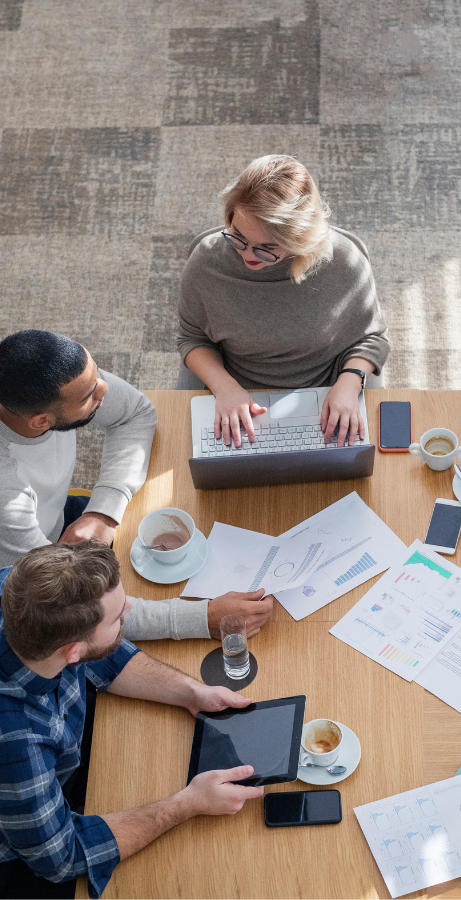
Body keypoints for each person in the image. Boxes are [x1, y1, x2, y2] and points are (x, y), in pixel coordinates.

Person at [0, 542, 265, 899]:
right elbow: (61, 858)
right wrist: (188, 803)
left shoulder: (17, 590)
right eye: (117, 617)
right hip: (26, 841)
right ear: (70, 651)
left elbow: (101, 653)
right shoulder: (16, 739)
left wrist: (190, 692)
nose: (129, 608)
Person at [0, 329, 273, 642]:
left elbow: (136, 412)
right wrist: (201, 618)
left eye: (96, 374)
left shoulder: (49, 379)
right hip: (23, 586)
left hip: (53, 529)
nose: (104, 387)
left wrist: (104, 511)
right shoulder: (6, 493)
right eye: (88, 395)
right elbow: (60, 604)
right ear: (40, 421)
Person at [177, 154, 390, 449]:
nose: (248, 255)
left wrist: (349, 383)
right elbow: (192, 337)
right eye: (237, 236)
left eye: (267, 248)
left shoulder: (344, 263)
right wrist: (225, 388)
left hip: (327, 390)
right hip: (236, 391)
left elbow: (372, 338)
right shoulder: (206, 263)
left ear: (299, 239)